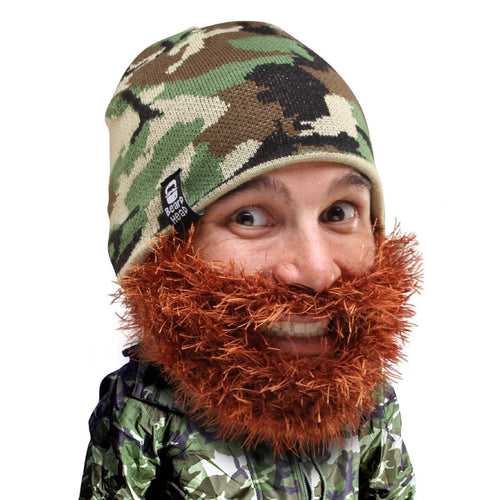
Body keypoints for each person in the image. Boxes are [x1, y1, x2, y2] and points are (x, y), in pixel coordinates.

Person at [79, 21, 421, 499]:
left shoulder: (370, 403)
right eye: (249, 217)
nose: (317, 271)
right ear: (160, 254)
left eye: (339, 213)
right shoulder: (142, 411)